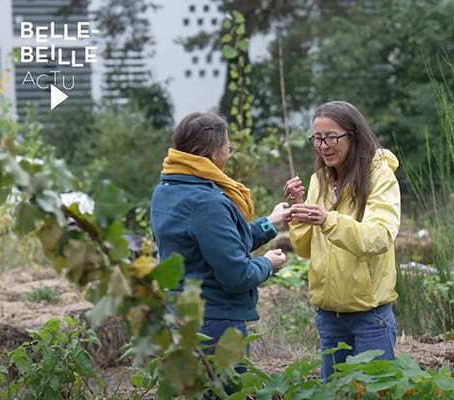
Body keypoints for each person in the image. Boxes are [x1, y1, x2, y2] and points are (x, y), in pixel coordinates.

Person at [150, 112, 290, 351]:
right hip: (215, 326)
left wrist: (270, 223)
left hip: (180, 319)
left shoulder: (166, 190)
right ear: (214, 153)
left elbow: (216, 243)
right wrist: (267, 263)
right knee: (225, 389)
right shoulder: (206, 202)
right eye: (229, 147)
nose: (228, 153)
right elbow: (237, 275)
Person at [283, 101, 401, 381]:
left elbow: (379, 236)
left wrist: (328, 220)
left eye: (332, 137)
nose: (324, 145)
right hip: (329, 317)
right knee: (332, 392)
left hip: (370, 318)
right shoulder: (319, 179)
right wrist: (299, 210)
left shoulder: (379, 176)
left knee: (375, 392)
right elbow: (303, 249)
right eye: (318, 138)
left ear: (354, 136)